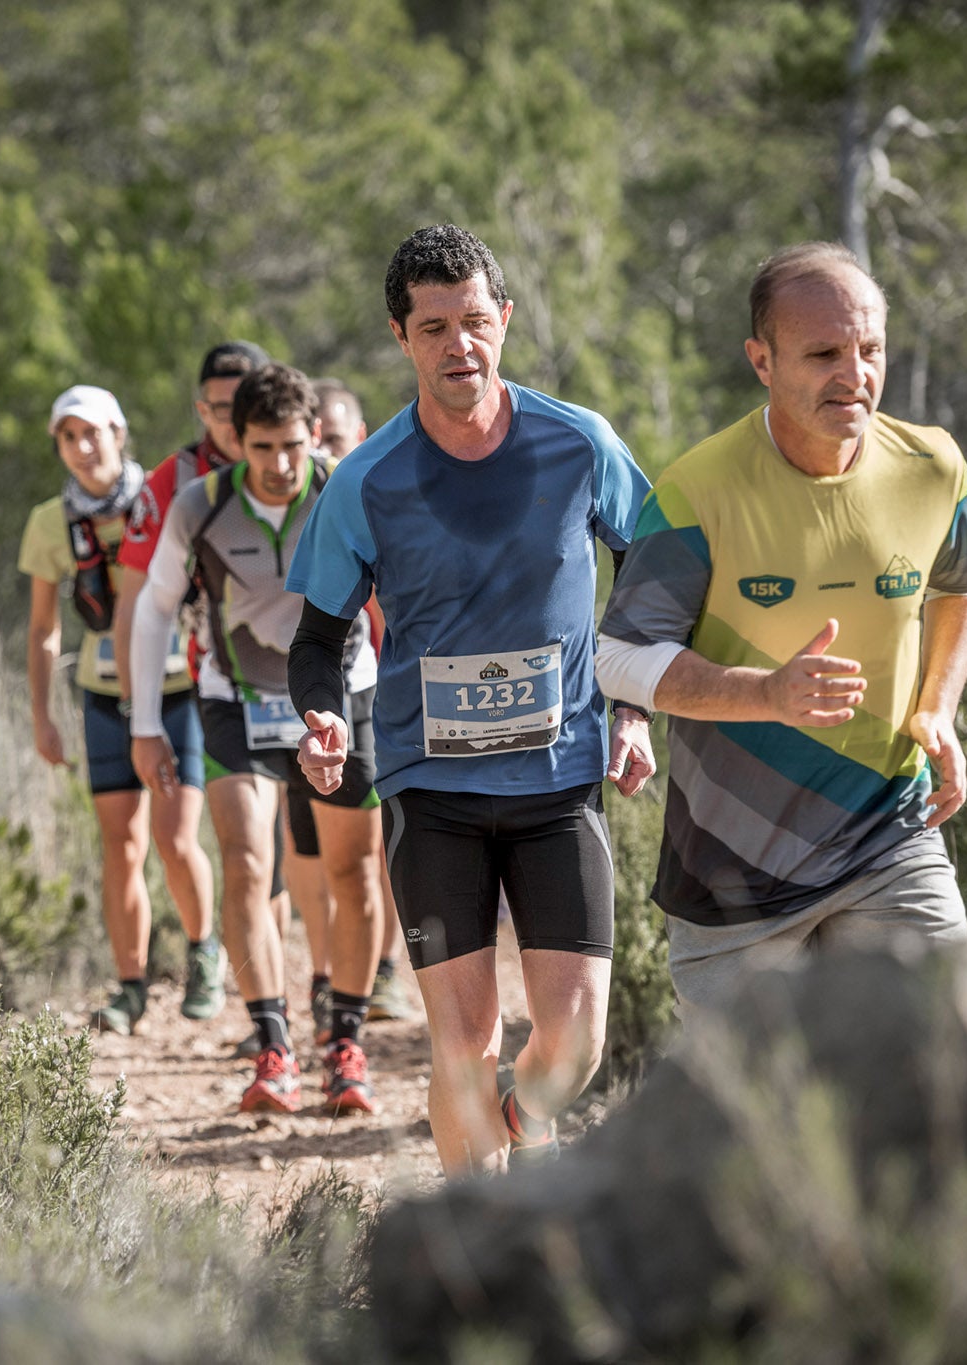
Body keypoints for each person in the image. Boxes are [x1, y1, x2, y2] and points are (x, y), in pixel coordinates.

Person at [287, 224, 655, 1173]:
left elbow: (654, 563)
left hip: (559, 778)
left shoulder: (579, 443)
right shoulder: (367, 479)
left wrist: (637, 704)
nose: (461, 345)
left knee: (573, 1046)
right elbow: (318, 640)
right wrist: (322, 715)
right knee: (461, 1047)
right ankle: (484, 1255)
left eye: (477, 321)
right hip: (433, 789)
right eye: (436, 325)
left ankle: (519, 1115)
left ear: (506, 322)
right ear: (402, 338)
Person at [594, 241, 967, 1016]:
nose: (855, 375)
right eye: (823, 353)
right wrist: (764, 693)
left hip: (890, 834)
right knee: (758, 1123)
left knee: (943, 1056)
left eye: (869, 348)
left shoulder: (933, 466)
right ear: (762, 360)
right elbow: (618, 657)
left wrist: (937, 707)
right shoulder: (697, 489)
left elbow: (966, 586)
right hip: (734, 873)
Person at [129, 363, 388, 1116]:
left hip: (343, 693)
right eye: (263, 446)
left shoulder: (348, 488)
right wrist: (147, 726)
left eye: (294, 445)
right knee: (246, 861)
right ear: (234, 441)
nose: (280, 465)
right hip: (233, 698)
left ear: (315, 436)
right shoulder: (198, 507)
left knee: (353, 870)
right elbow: (153, 612)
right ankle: (273, 1046)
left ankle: (346, 1040)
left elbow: (405, 586)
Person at [115, 340, 301, 1059]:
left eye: (242, 408)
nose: (230, 424)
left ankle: (306, 1001)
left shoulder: (304, 472)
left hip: (311, 689)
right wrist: (143, 715)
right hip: (212, 686)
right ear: (203, 411)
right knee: (244, 856)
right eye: (219, 411)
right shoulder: (176, 485)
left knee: (289, 865)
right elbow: (139, 600)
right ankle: (264, 1020)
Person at [19, 384, 222, 1035]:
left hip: (175, 686)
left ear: (118, 431)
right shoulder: (50, 523)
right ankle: (130, 986)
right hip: (103, 692)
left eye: (93, 433)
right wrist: (42, 715)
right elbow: (44, 627)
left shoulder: (161, 497)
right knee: (121, 844)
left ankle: (203, 951)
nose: (83, 448)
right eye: (68, 437)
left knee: (173, 834)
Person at [312, 376, 417, 1028]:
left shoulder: (382, 495)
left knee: (384, 843)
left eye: (335, 436)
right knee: (334, 854)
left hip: (387, 692)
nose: (324, 449)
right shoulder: (319, 510)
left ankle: (382, 971)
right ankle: (335, 975)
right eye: (314, 435)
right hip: (341, 690)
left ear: (360, 436)